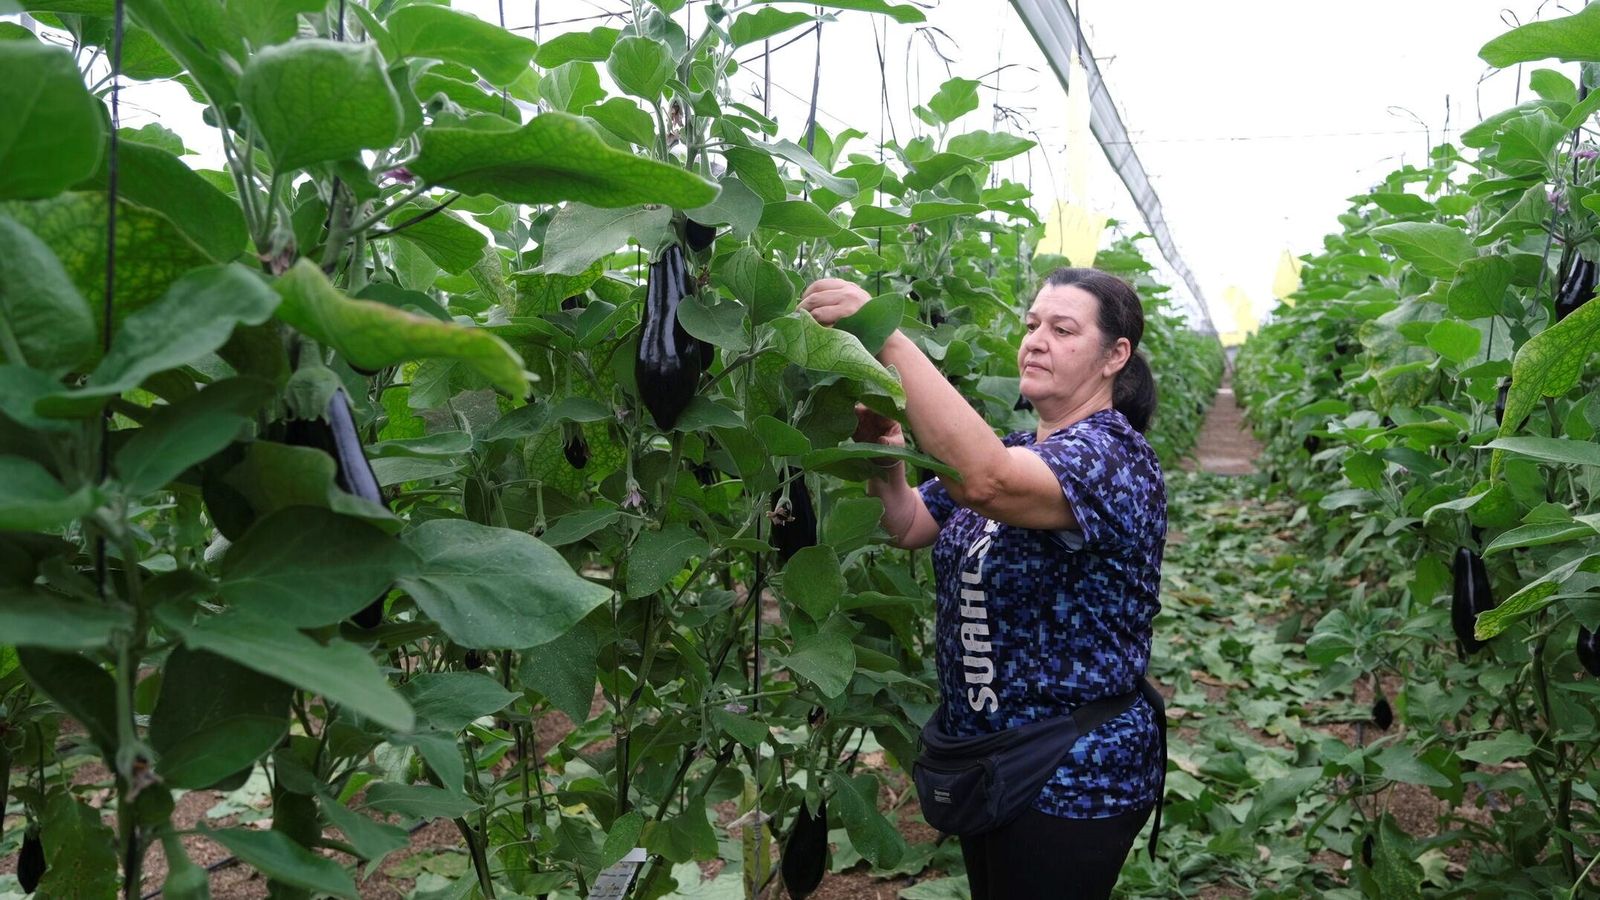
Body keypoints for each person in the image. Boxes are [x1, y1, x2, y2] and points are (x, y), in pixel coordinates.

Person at [798, 267, 1167, 900]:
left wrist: (887, 337)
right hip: (990, 758)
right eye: (1032, 325)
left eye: (1063, 329)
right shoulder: (1022, 446)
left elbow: (985, 482)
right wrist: (887, 459)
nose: (1036, 340)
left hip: (1072, 771)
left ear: (1115, 356)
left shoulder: (1113, 458)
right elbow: (909, 524)